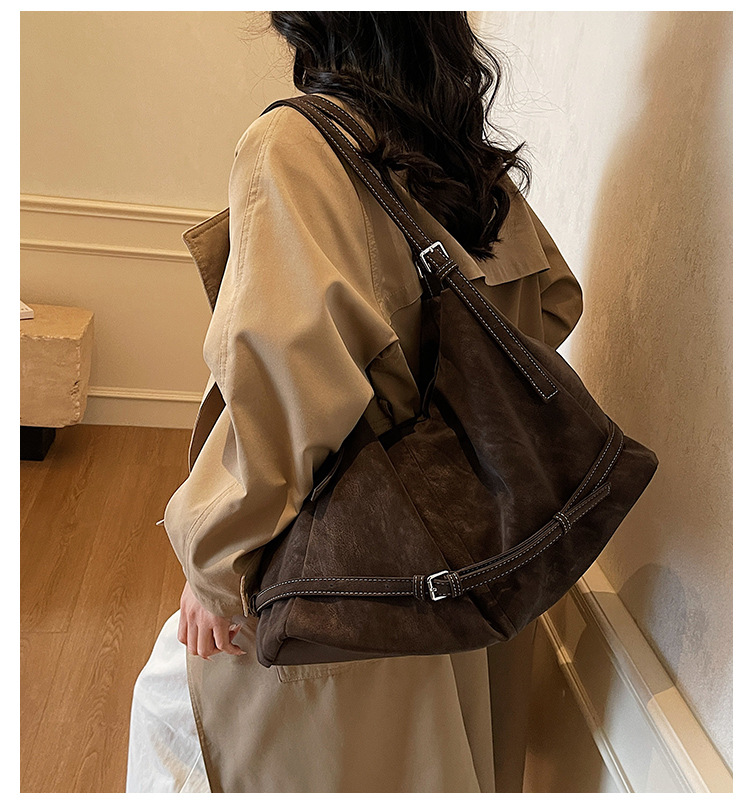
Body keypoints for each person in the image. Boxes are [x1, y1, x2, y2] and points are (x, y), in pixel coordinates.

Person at [127, 11, 583, 793]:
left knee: (176, 727)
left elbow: (283, 387)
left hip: (343, 565)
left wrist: (214, 571)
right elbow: (553, 304)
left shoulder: (296, 143)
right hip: (473, 563)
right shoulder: (469, 162)